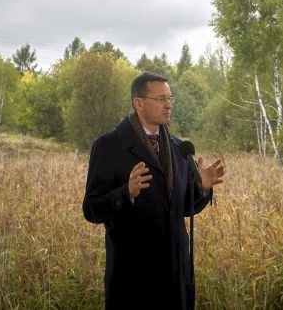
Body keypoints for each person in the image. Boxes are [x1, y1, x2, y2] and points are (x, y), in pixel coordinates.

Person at [82, 72, 225, 310]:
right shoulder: (109, 146)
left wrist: (201, 189)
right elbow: (91, 209)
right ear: (138, 103)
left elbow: (183, 208)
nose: (168, 104)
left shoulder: (181, 148)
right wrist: (125, 193)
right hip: (133, 279)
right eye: (160, 99)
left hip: (176, 276)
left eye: (170, 98)